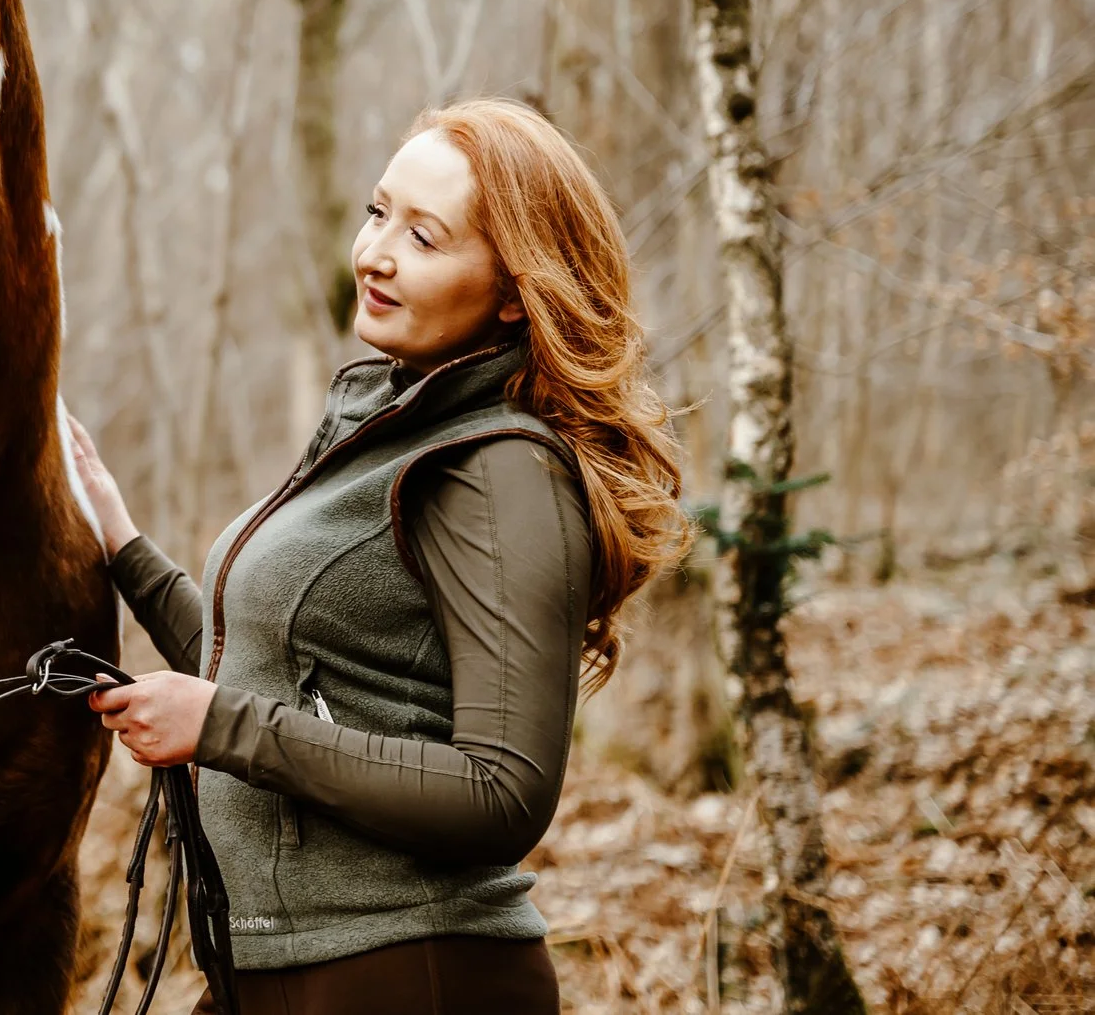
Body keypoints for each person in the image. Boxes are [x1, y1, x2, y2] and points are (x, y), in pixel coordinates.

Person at [68, 98, 693, 1015]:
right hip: (278, 977)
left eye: (425, 237)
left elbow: (503, 793)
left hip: (411, 975)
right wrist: (124, 546)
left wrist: (220, 728)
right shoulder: (398, 433)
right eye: (377, 213)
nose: (375, 254)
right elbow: (269, 667)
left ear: (517, 289)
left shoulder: (501, 470)